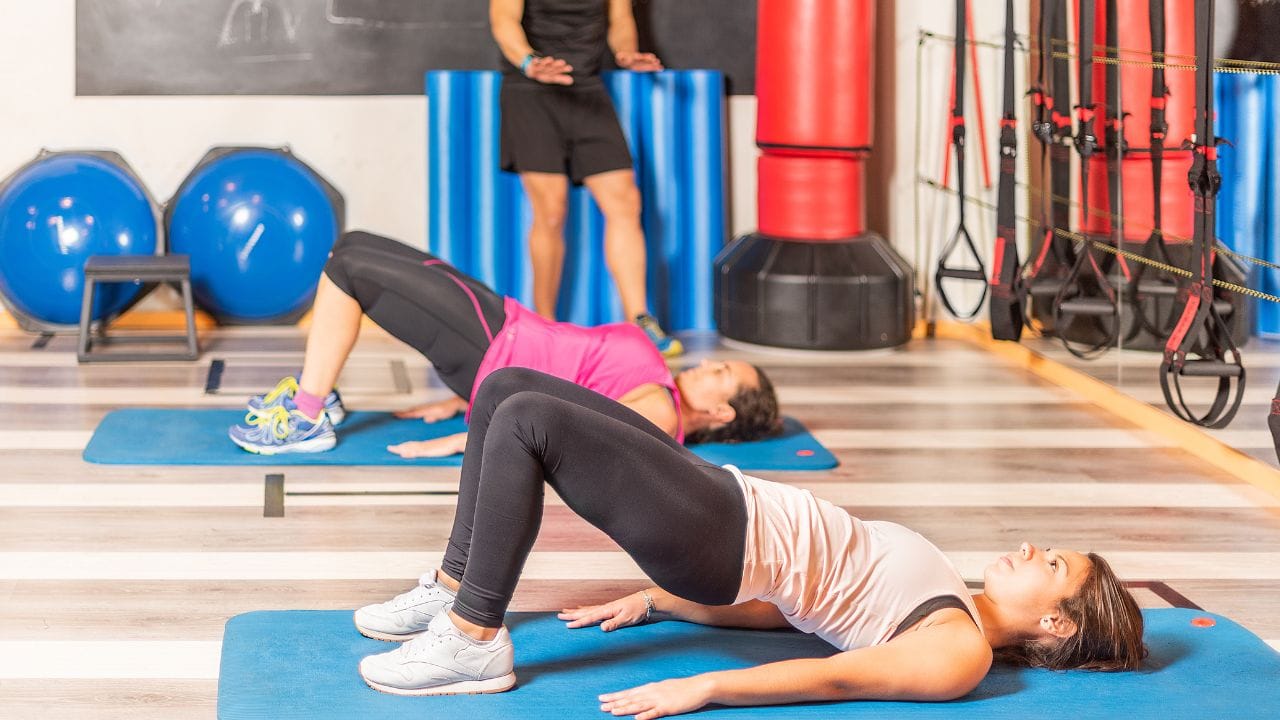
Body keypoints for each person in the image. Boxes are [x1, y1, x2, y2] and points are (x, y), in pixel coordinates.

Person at [353, 368, 1148, 713]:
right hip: (726, 504)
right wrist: (662, 603)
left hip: (719, 535)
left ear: (1058, 623)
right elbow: (802, 612)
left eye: (1053, 565)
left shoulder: (961, 651)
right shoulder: (951, 594)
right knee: (504, 390)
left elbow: (839, 677)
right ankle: (454, 587)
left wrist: (709, 688)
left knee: (529, 426)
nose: (1034, 548)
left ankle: (472, 639)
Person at [228, 230, 779, 456]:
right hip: (503, 323)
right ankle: (317, 398)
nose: (707, 366)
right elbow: (576, 381)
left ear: (722, 411)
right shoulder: (660, 388)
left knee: (349, 267)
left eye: (720, 374)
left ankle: (307, 415)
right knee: (352, 246)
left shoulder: (661, 413)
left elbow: (565, 426)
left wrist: (470, 434)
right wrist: (461, 404)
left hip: (492, 350)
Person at [489, 0, 683, 356]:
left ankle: (639, 320)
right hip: (530, 90)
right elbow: (503, 22)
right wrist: (530, 62)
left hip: (587, 89)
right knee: (550, 211)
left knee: (626, 201)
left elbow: (620, 19)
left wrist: (626, 53)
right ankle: (543, 324)